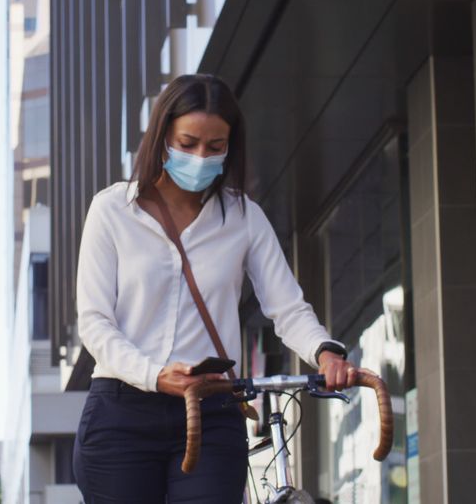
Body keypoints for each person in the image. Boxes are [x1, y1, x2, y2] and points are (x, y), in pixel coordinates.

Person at [72, 74, 360, 503]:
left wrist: (324, 350)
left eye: (215, 147)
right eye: (187, 143)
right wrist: (154, 375)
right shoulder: (112, 209)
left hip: (212, 411)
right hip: (121, 413)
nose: (200, 156)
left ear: (231, 147)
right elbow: (95, 323)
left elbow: (287, 307)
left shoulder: (244, 218)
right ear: (162, 137)